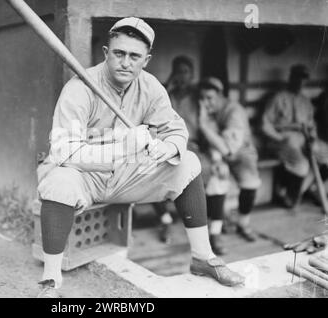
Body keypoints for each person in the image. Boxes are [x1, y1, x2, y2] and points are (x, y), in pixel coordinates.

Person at [35, 17, 244, 297]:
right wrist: (123, 148)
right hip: (83, 178)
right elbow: (63, 151)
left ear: (146, 59)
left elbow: (176, 129)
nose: (126, 62)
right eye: (119, 53)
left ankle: (202, 257)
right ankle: (51, 280)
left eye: (135, 56)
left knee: (188, 162)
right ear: (107, 53)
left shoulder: (151, 87)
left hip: (126, 178)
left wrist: (167, 147)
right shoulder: (80, 87)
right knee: (58, 181)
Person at [196, 77, 261, 255]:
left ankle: (243, 223)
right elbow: (214, 145)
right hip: (220, 153)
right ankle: (218, 226)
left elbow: (229, 149)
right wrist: (217, 159)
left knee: (250, 184)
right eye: (202, 98)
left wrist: (203, 125)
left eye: (209, 97)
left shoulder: (234, 111)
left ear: (221, 95)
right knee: (216, 176)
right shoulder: (207, 110)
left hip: (241, 153)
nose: (205, 102)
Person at [262, 64, 328, 209]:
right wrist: (278, 137)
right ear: (291, 78)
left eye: (303, 79)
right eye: (298, 78)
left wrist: (312, 136)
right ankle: (291, 198)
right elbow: (265, 124)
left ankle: (302, 190)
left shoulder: (305, 101)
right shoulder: (278, 98)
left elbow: (312, 125)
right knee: (302, 164)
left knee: (325, 153)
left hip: (302, 138)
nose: (300, 82)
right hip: (281, 139)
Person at [152, 55, 200, 243]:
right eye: (178, 71)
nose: (181, 76)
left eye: (185, 72)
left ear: (192, 75)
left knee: (203, 170)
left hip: (193, 144)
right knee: (152, 169)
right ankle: (165, 219)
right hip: (168, 143)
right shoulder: (166, 93)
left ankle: (206, 225)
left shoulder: (198, 96)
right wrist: (170, 84)